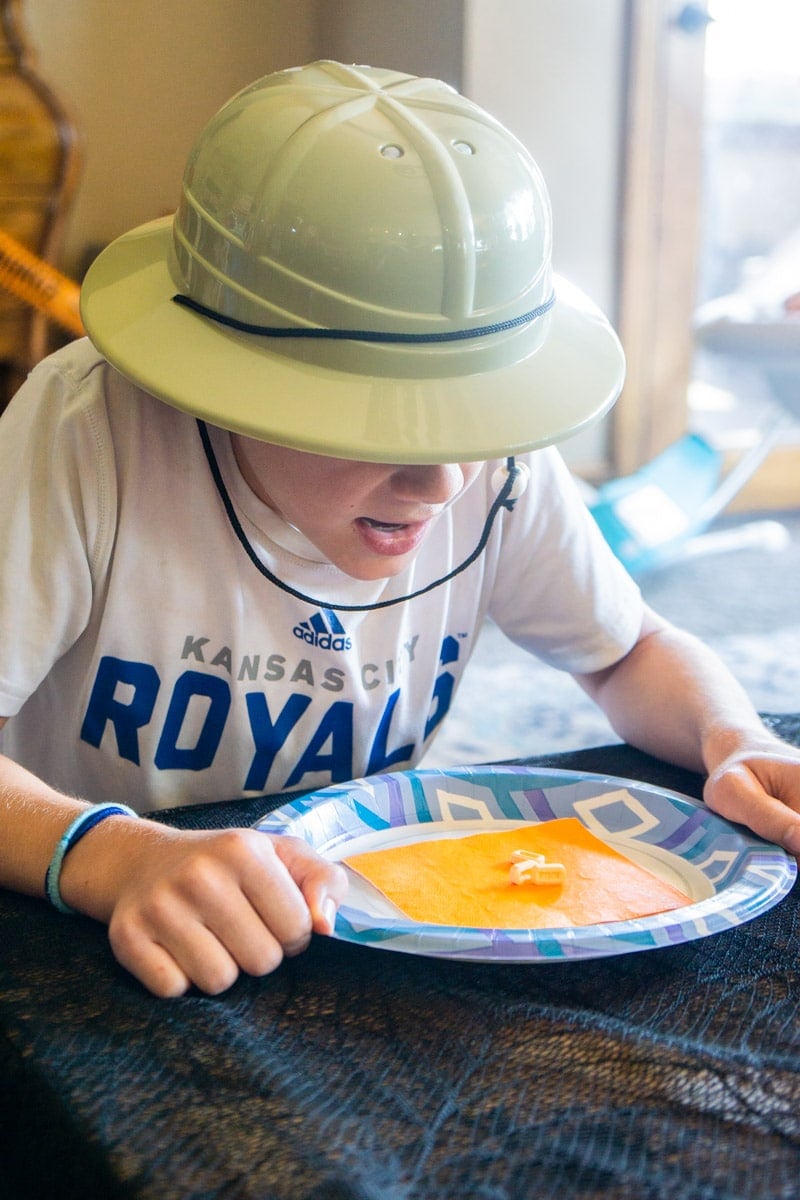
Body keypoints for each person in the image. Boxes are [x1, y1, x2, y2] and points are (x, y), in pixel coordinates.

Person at [0, 61, 798, 999]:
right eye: (376, 429)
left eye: (470, 424)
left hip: (364, 921)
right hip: (116, 922)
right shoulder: (85, 432)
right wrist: (110, 855)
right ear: (224, 382)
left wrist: (731, 734)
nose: (443, 481)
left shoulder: (490, 461)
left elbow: (625, 651)